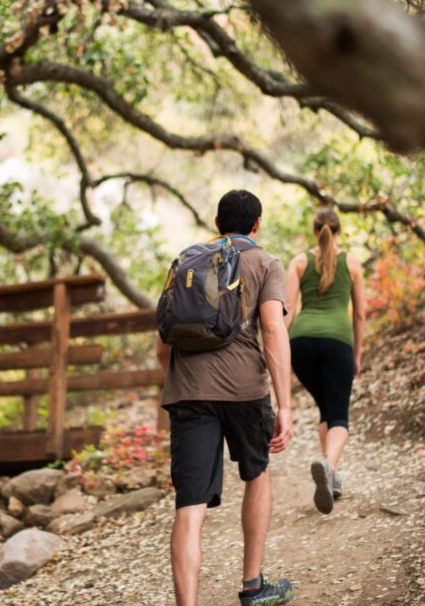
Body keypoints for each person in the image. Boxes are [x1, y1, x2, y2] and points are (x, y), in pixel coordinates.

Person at [157, 189, 295, 606]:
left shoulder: (186, 261)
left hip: (188, 393)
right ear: (257, 225)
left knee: (189, 506)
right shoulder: (265, 262)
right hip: (244, 391)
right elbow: (273, 331)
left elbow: (164, 340)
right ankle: (252, 586)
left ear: (217, 225)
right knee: (257, 475)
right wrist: (285, 404)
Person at [284, 208, 366, 514]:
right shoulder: (353, 263)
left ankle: (330, 481)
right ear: (339, 231)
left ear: (315, 230)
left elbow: (288, 310)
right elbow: (359, 314)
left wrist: (277, 350)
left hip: (301, 344)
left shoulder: (299, 262)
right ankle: (329, 466)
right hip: (337, 343)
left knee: (326, 411)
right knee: (340, 417)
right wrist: (357, 354)